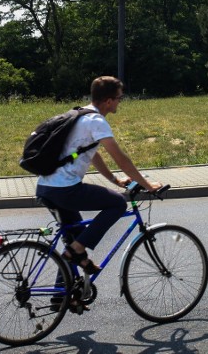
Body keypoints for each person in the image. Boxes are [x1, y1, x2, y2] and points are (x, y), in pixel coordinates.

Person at [36, 76, 162, 273]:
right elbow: (121, 158)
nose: (120, 101)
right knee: (118, 203)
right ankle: (76, 251)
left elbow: (93, 155)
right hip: (64, 189)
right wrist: (147, 185)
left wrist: (115, 180)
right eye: (119, 98)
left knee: (76, 237)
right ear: (109, 100)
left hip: (47, 187)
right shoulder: (96, 121)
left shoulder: (81, 114)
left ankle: (64, 297)